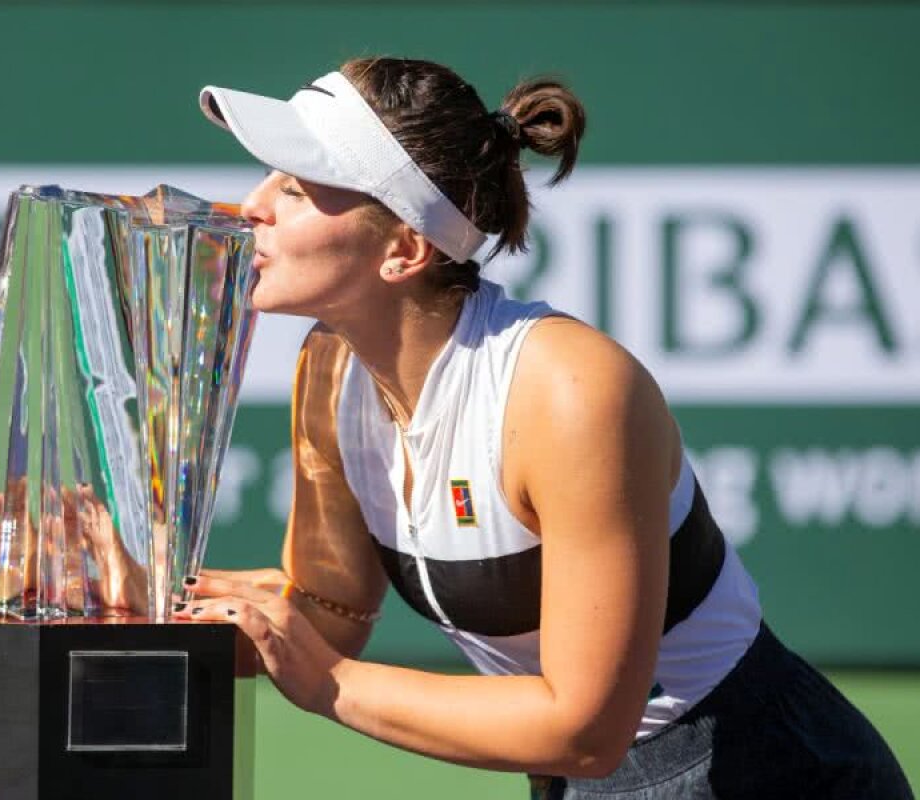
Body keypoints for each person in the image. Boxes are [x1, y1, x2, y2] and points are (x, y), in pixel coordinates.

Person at [171, 57, 912, 798]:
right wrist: (139, 594)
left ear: (404, 249)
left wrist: (330, 684)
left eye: (294, 188)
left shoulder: (570, 391)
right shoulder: (329, 368)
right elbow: (328, 618)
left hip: (763, 772)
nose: (250, 207)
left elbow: (584, 729)